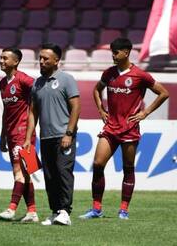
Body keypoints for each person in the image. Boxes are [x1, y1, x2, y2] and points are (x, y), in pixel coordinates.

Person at [80, 37, 170, 220]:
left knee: (128, 168)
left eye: (115, 52)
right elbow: (97, 90)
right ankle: (96, 209)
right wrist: (101, 110)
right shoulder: (109, 73)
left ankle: (123, 210)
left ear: (126, 52)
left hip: (130, 129)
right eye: (111, 52)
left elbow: (164, 93)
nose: (112, 55)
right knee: (98, 164)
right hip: (111, 127)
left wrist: (145, 113)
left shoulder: (140, 75)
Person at [23, 43, 80, 226]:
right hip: (45, 137)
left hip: (63, 135)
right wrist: (28, 139)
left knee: (63, 173)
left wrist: (69, 134)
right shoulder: (37, 83)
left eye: (46, 58)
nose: (41, 61)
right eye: (40, 58)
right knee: (50, 176)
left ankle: (65, 211)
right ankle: (55, 211)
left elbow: (76, 107)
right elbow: (33, 113)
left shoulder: (66, 79)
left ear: (57, 60)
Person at [0, 48, 39, 223]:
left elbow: (40, 89)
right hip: (12, 135)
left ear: (16, 61)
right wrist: (3, 136)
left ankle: (11, 209)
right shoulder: (2, 84)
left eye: (5, 58)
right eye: (0, 58)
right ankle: (32, 212)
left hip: (24, 134)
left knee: (18, 172)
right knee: (26, 173)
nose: (1, 61)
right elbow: (6, 112)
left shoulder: (24, 79)